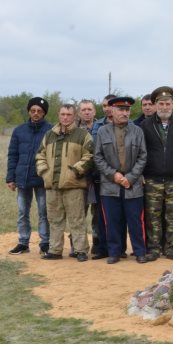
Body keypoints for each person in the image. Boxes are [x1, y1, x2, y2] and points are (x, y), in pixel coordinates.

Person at [35, 103, 94, 261]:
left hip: (74, 185)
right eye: (63, 114)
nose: (65, 117)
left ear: (74, 116)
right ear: (58, 115)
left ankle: (81, 250)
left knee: (77, 219)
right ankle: (55, 250)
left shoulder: (82, 135)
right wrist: (44, 172)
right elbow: (40, 154)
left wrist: (75, 171)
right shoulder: (49, 135)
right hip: (52, 185)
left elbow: (90, 156)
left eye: (69, 114)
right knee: (54, 219)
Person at [94, 96, 149, 264]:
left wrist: (130, 178)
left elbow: (143, 156)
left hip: (132, 184)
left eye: (127, 110)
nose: (124, 113)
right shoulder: (103, 131)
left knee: (135, 220)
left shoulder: (137, 131)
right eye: (121, 109)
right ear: (112, 111)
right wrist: (114, 175)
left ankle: (140, 251)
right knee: (112, 220)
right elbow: (97, 157)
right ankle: (115, 252)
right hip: (110, 185)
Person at [141, 86, 173, 260]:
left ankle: (171, 248)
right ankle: (154, 248)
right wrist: (141, 172)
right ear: (155, 105)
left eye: (167, 103)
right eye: (161, 103)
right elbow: (140, 151)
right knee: (152, 216)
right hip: (152, 179)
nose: (164, 107)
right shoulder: (145, 125)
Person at [6, 96, 52, 256]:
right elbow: (12, 155)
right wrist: (10, 178)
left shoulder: (51, 130)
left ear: (44, 113)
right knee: (22, 212)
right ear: (28, 111)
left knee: (44, 212)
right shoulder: (19, 131)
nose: (36, 113)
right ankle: (23, 242)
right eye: (33, 110)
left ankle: (45, 243)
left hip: (42, 179)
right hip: (22, 178)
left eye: (39, 111)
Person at [77, 99, 108, 260]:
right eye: (83, 110)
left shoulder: (101, 127)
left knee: (97, 214)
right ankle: (78, 245)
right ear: (79, 112)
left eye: (89, 109)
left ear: (94, 112)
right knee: (79, 212)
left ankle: (98, 243)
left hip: (97, 177)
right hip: (79, 178)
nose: (87, 112)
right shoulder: (74, 129)